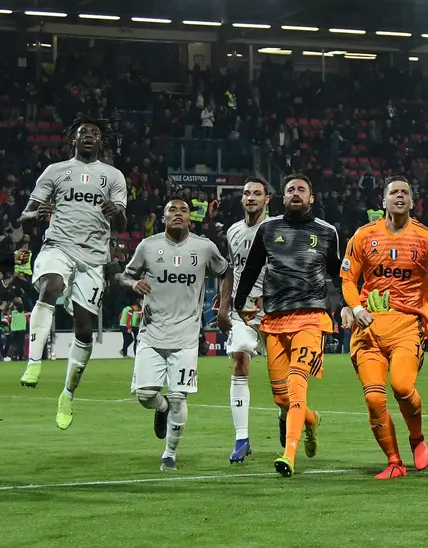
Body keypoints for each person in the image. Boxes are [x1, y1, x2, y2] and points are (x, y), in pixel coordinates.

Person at [340, 176, 428, 479]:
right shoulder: (364, 236)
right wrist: (356, 309)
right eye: (393, 192)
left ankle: (417, 436)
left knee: (403, 387)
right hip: (369, 328)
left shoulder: (425, 237)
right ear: (383, 201)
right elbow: (347, 279)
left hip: (408, 325)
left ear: (411, 201)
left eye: (405, 192)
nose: (399, 196)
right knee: (373, 397)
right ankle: (394, 462)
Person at [19, 116, 127, 433]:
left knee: (85, 329)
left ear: (101, 142)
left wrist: (116, 211)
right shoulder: (54, 172)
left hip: (93, 258)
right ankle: (33, 362)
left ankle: (67, 394)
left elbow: (121, 225)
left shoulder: (113, 176)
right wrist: (36, 213)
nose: (89, 136)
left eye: (94, 133)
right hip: (59, 245)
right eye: (83, 133)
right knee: (49, 288)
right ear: (74, 140)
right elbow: (25, 217)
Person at [233, 173, 341, 477]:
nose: (296, 193)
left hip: (311, 318)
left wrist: (345, 307)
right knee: (281, 397)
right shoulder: (268, 229)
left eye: (301, 189)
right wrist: (240, 303)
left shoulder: (327, 232)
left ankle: (288, 454)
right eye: (290, 189)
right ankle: (311, 420)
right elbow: (252, 267)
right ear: (283, 197)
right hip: (275, 320)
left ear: (311, 198)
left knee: (296, 389)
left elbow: (336, 274)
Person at [117, 198, 230, 470]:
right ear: (163, 217)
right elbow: (123, 275)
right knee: (144, 394)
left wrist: (224, 308)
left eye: (183, 211)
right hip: (152, 333)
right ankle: (161, 407)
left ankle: (169, 453)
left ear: (190, 218)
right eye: (172, 210)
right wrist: (133, 284)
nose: (177, 214)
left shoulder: (204, 247)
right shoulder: (148, 246)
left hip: (187, 335)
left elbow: (226, 271)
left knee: (180, 395)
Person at [218, 175, 271, 464]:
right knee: (239, 358)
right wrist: (225, 307)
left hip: (273, 313)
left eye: (256, 194)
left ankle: (291, 417)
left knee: (282, 380)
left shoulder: (276, 229)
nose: (251, 198)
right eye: (247, 193)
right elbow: (229, 270)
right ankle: (242, 438)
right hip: (242, 312)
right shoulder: (233, 231)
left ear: (267, 200)